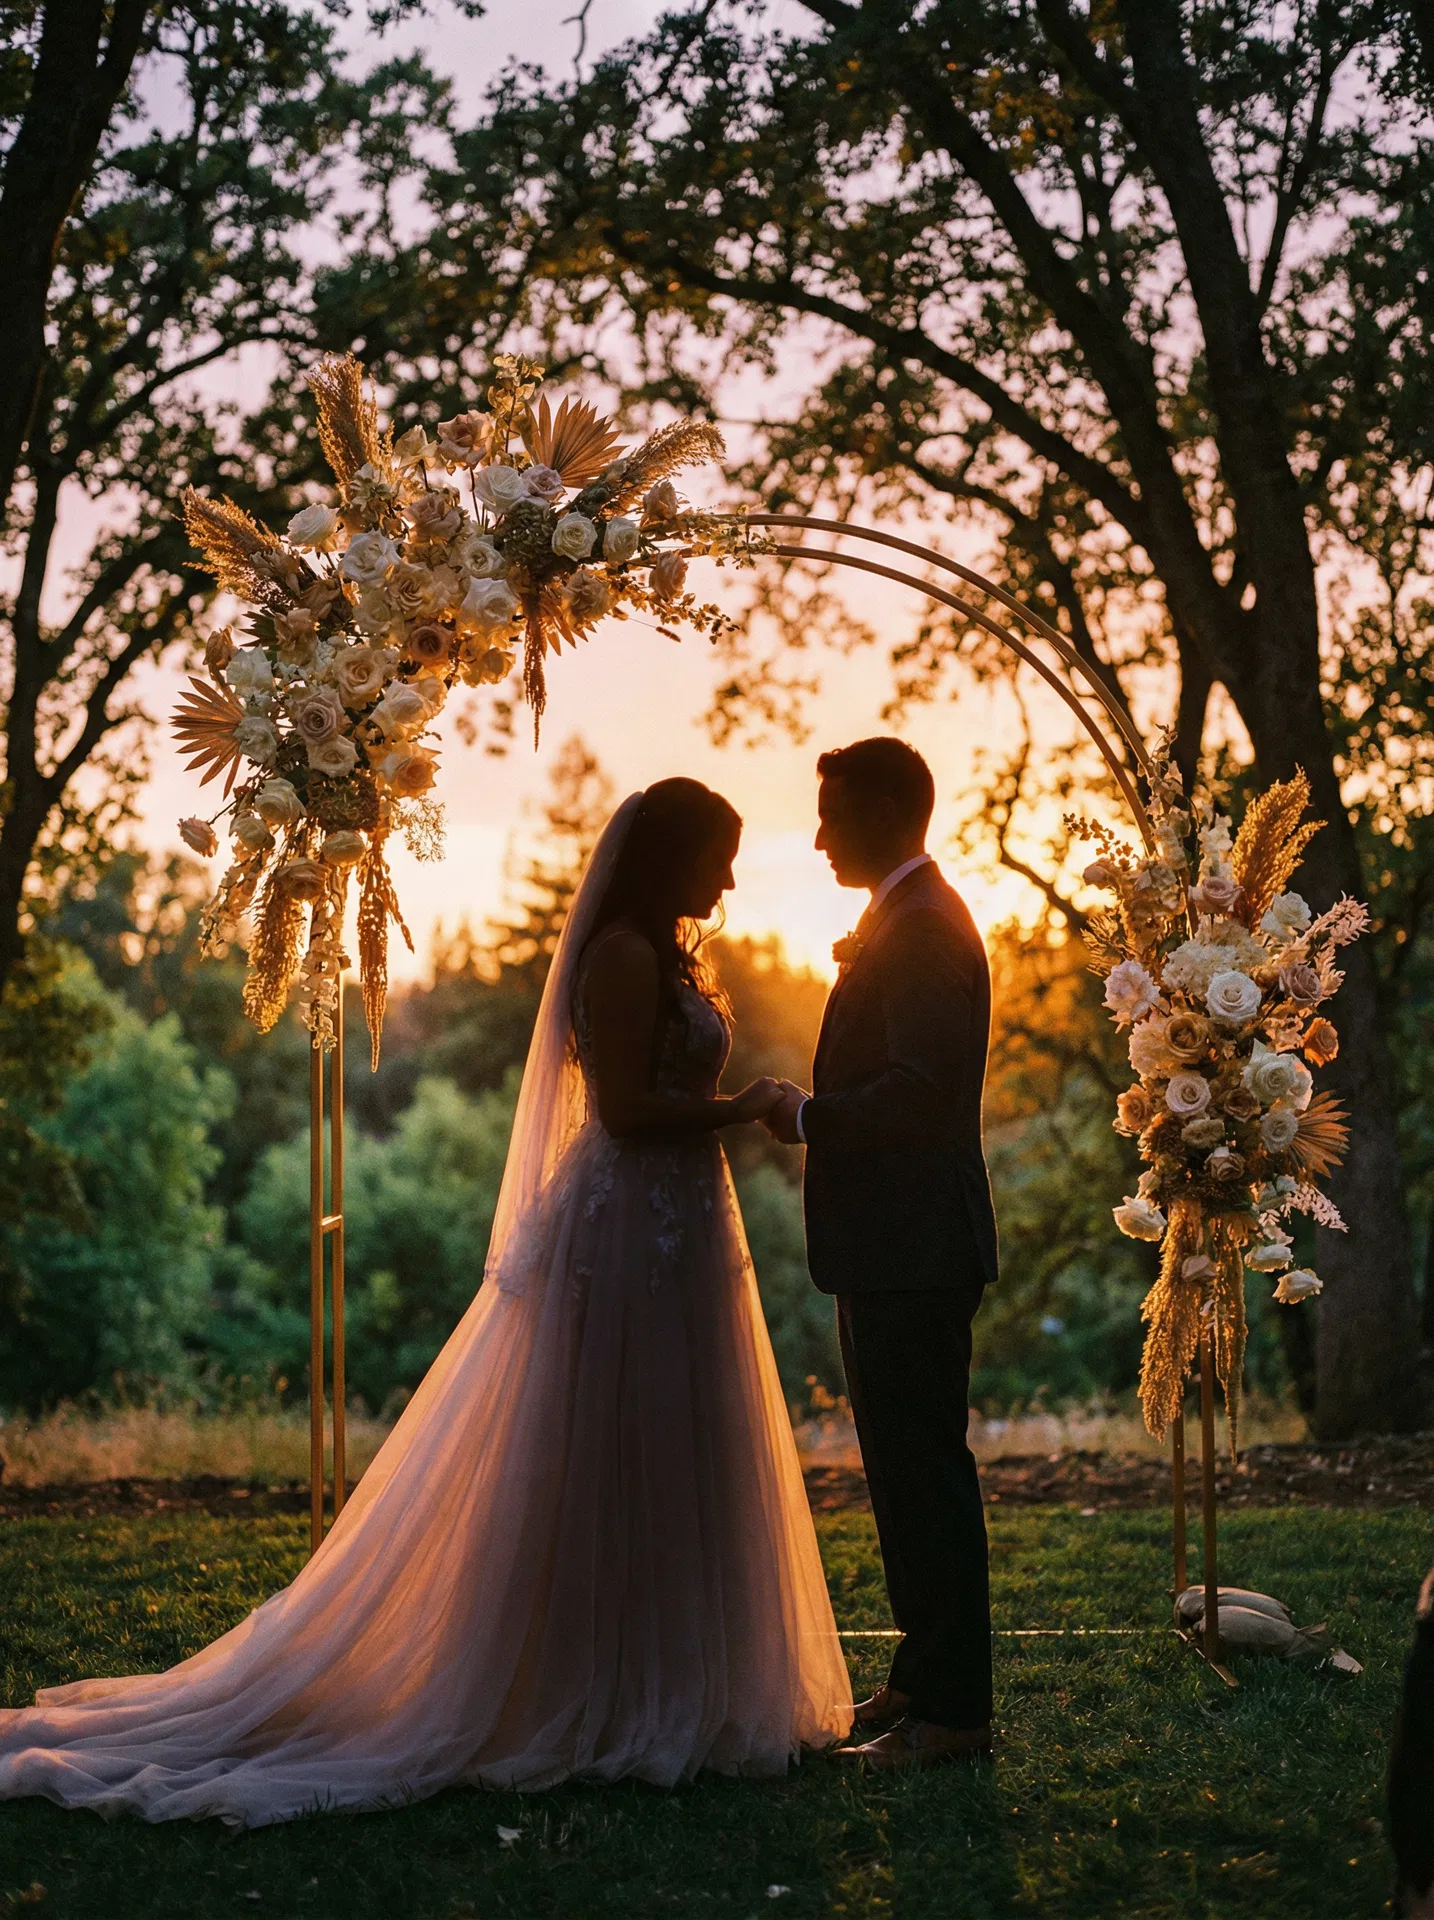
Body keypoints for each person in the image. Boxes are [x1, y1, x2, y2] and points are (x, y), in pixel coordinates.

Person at [0, 779, 852, 1826]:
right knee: (614, 1441)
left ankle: (677, 1682)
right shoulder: (625, 956)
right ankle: (599, 1687)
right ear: (668, 856)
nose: (727, 877)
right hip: (633, 1223)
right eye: (715, 857)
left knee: (680, 1441)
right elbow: (627, 1113)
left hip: (676, 1225)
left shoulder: (661, 952)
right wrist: (745, 1106)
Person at [765, 737, 999, 1771]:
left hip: (914, 1245)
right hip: (888, 1245)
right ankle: (920, 1680)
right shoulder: (903, 920)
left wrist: (809, 1115)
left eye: (832, 815)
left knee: (926, 1475)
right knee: (901, 1476)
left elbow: (921, 1094)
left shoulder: (922, 933)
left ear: (885, 815)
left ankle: (955, 1715)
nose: (816, 837)